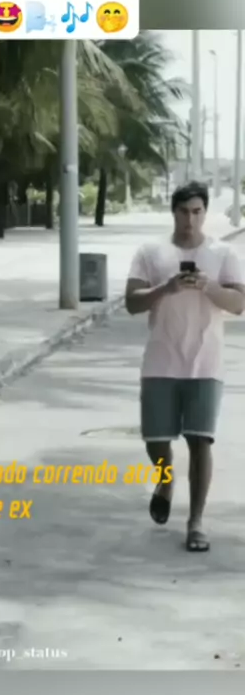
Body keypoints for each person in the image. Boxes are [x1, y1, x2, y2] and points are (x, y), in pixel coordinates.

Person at [125, 181, 245, 552]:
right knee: (156, 441)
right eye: (183, 211)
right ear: (173, 212)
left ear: (205, 212)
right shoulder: (151, 251)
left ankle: (195, 523)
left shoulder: (223, 253)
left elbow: (239, 304)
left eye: (196, 212)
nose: (190, 220)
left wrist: (209, 287)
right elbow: (132, 302)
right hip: (160, 361)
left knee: (200, 441)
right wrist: (166, 288)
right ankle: (165, 480)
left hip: (206, 364)